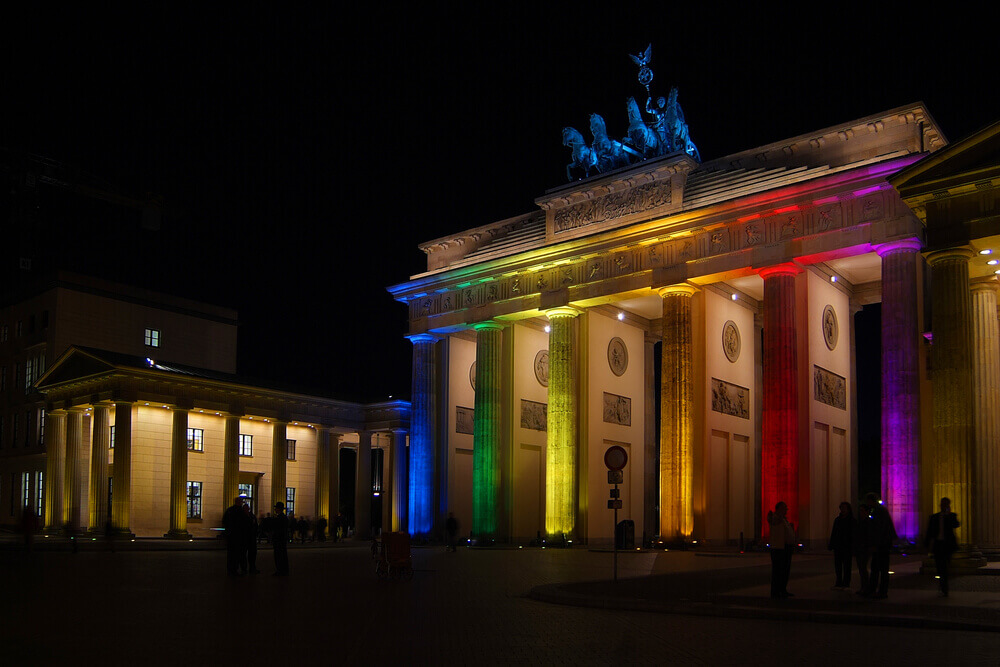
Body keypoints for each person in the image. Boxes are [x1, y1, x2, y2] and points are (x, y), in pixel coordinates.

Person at [924, 497, 959, 597]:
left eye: (946, 504)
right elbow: (929, 532)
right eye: (943, 504)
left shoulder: (952, 516)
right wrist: (926, 545)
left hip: (947, 546)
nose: (944, 506)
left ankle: (944, 586)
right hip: (938, 545)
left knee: (945, 566)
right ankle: (943, 583)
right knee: (940, 567)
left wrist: (949, 515)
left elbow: (956, 525)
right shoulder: (934, 517)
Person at [866, 492, 897, 599]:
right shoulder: (879, 510)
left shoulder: (878, 511)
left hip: (881, 545)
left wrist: (875, 544)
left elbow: (880, 529)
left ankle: (878, 591)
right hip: (883, 544)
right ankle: (877, 590)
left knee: (879, 568)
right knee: (880, 568)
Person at [767, 501, 795, 599]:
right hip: (779, 548)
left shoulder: (783, 519)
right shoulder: (776, 518)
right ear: (779, 509)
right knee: (778, 571)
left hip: (785, 547)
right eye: (785, 508)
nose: (787, 509)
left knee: (784, 571)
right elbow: (773, 521)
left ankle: (782, 589)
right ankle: (776, 592)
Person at [828, 502, 853, 589]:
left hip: (847, 546)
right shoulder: (837, 520)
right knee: (838, 565)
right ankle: (839, 581)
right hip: (838, 546)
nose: (843, 510)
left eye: (844, 508)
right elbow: (834, 532)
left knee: (846, 566)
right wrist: (831, 544)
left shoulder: (851, 520)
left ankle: (846, 582)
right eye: (841, 508)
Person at [222, 496, 248, 576]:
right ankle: (238, 569)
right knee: (240, 554)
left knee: (231, 555)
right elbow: (245, 524)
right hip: (240, 537)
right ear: (239, 502)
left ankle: (231, 570)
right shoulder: (241, 512)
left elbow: (224, 521)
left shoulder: (229, 510)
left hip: (231, 536)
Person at [853, 501, 872, 596]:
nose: (860, 512)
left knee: (863, 568)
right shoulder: (861, 522)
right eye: (860, 510)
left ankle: (865, 587)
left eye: (862, 510)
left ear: (867, 511)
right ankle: (864, 587)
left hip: (864, 549)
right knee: (861, 569)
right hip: (860, 548)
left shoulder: (867, 523)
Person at [271, 501, 290, 575]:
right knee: (283, 555)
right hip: (282, 539)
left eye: (276, 508)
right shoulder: (284, 517)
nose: (275, 509)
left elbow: (277, 528)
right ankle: (284, 569)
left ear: (279, 509)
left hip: (279, 539)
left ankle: (280, 570)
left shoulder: (279, 518)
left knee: (279, 555)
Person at [243, 502, 260, 574]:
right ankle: (246, 569)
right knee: (244, 555)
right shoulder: (249, 516)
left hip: (250, 538)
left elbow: (256, 526)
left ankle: (251, 568)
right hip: (246, 538)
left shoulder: (251, 516)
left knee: (251, 555)